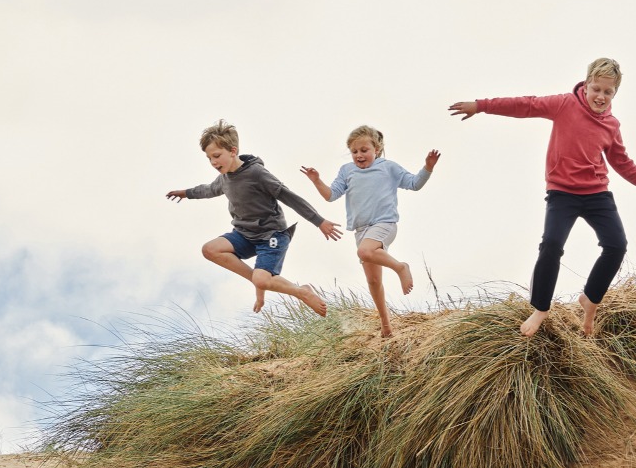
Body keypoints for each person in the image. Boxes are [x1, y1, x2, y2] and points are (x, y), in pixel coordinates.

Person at [448, 58, 636, 337]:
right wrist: (482, 106)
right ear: (587, 84)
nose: (601, 97)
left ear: (614, 93)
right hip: (562, 193)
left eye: (608, 92)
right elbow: (526, 105)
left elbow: (621, 161)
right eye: (596, 89)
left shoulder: (611, 125)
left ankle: (589, 300)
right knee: (552, 245)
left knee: (616, 246)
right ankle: (541, 308)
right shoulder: (564, 104)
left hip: (597, 194)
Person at [166, 119, 343, 317]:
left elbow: (288, 196)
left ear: (233, 151)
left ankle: (302, 291)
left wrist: (319, 221)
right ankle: (260, 281)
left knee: (262, 279)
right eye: (209, 158)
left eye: (217, 156)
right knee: (210, 249)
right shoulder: (224, 179)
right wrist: (186, 193)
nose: (213, 162)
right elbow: (207, 190)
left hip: (272, 235)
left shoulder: (257, 173)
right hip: (244, 234)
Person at [301, 125, 440, 337]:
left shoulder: (389, 167)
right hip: (361, 230)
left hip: (384, 224)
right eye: (354, 151)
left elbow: (414, 183)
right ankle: (386, 326)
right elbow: (330, 195)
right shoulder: (347, 171)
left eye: (364, 150)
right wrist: (316, 180)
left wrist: (427, 167)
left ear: (376, 148)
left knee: (365, 252)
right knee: (373, 281)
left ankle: (401, 267)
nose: (359, 155)